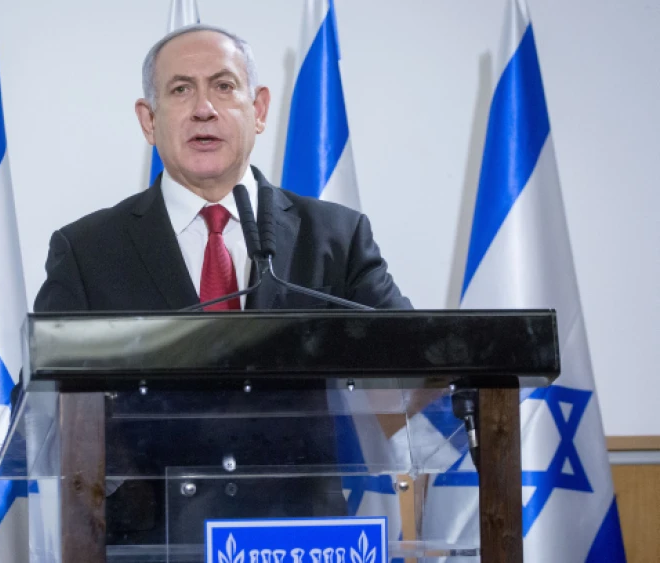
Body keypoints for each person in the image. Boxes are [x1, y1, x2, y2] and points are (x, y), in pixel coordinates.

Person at [33, 24, 411, 546]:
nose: (203, 109)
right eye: (180, 89)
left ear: (259, 109)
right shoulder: (88, 251)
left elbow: (415, 368)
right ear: (149, 120)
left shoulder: (335, 238)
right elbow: (45, 410)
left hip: (300, 544)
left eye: (224, 86)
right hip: (151, 547)